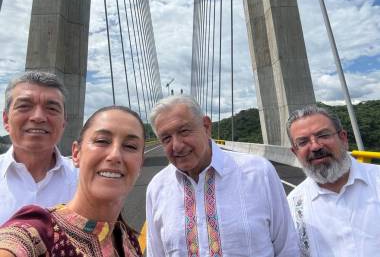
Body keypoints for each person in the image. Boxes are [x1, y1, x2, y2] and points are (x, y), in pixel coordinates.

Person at [146, 95, 299, 257]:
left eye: (184, 131)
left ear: (206, 126)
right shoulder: (157, 188)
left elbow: (287, 247)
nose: (176, 145)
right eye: (166, 138)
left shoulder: (258, 172)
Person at [0, 105, 144, 256]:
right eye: (102, 141)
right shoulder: (40, 233)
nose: (115, 155)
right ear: (76, 154)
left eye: (130, 146)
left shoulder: (128, 240)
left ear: (140, 163)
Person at [286, 105, 380, 257]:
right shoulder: (292, 206)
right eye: (303, 142)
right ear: (295, 152)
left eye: (323, 135)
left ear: (343, 138)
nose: (315, 146)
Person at [0, 71, 78, 224]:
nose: (38, 117)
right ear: (6, 120)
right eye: (24, 106)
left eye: (52, 108)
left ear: (64, 122)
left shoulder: (83, 180)